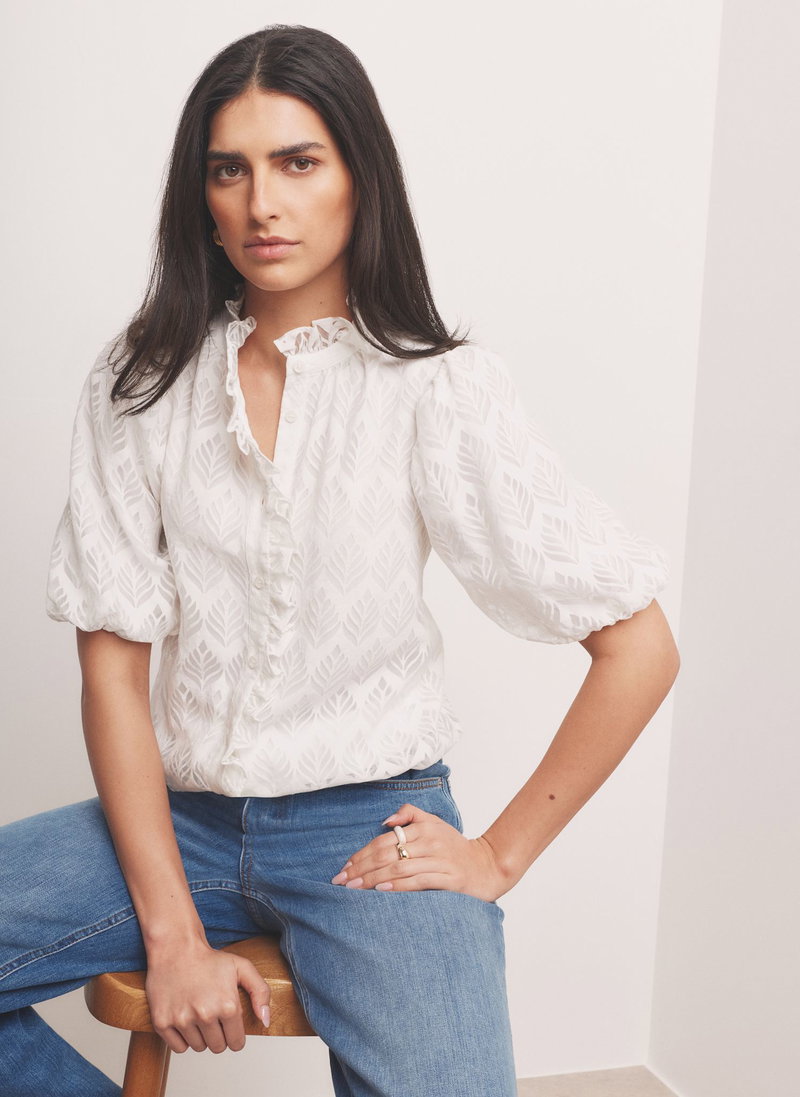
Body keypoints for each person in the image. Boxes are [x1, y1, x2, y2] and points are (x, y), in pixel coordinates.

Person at [0, 23, 680, 1097]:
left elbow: (639, 645)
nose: (260, 204)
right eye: (229, 169)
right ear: (200, 195)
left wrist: (495, 855)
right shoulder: (142, 383)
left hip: (370, 833)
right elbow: (113, 673)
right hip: (178, 819)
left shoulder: (435, 387)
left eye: (297, 162)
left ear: (359, 176)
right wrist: (172, 936)